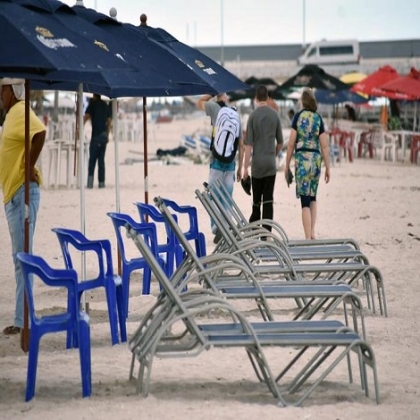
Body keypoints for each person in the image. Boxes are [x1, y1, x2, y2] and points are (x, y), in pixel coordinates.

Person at [0, 78, 46, 335]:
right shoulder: (12, 114)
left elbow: (39, 132)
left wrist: (28, 166)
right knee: (19, 258)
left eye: (2, 90)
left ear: (11, 90)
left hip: (21, 194)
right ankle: (22, 318)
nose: (0, 95)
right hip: (15, 194)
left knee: (22, 259)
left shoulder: (19, 110)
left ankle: (23, 321)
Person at [284, 88, 331, 240]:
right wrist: (328, 167)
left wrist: (286, 165)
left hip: (302, 160)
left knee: (304, 201)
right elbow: (324, 145)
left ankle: (307, 237)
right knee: (313, 197)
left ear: (302, 101)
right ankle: (312, 232)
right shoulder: (318, 118)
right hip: (316, 161)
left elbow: (291, 143)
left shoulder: (298, 117)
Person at [197, 92, 243, 243]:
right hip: (230, 163)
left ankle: (217, 227)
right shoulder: (235, 114)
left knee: (212, 195)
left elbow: (199, 102)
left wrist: (210, 93)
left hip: (216, 160)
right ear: (227, 97)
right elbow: (241, 145)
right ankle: (227, 226)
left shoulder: (213, 107)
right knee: (227, 198)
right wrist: (240, 167)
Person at [242, 85, 283, 232]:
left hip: (257, 165)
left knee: (256, 202)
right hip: (270, 164)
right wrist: (274, 154)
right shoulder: (275, 115)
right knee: (268, 200)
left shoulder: (252, 116)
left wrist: (245, 167)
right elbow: (280, 142)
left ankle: (255, 232)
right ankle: (266, 234)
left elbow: (248, 145)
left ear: (256, 98)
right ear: (267, 97)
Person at [83, 93, 111, 189]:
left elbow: (86, 117)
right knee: (101, 161)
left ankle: (90, 183)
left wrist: (80, 127)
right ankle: (101, 183)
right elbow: (109, 121)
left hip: (95, 136)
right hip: (103, 136)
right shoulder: (105, 105)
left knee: (92, 161)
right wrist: (107, 135)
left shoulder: (92, 105)